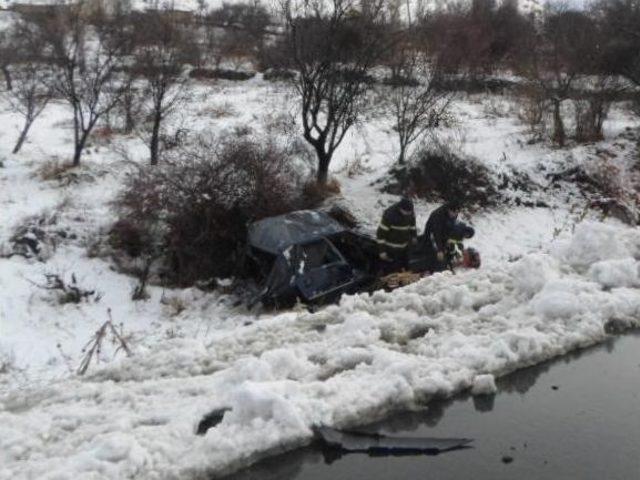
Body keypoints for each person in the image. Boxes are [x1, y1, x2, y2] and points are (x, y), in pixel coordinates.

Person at [422, 201, 475, 272]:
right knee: (438, 253)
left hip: (444, 233)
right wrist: (440, 250)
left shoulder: (453, 214)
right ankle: (437, 270)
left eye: (457, 213)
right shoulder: (438, 216)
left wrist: (449, 238)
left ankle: (448, 265)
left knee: (449, 248)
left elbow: (451, 226)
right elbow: (437, 234)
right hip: (432, 233)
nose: (456, 215)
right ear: (449, 210)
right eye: (454, 213)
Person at [376, 196, 417, 273]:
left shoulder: (410, 211)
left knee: (407, 267)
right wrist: (382, 251)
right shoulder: (390, 215)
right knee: (394, 270)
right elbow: (380, 234)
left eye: (410, 212)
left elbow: (412, 225)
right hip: (392, 248)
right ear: (400, 209)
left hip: (405, 246)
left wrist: (414, 236)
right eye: (406, 212)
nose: (408, 214)